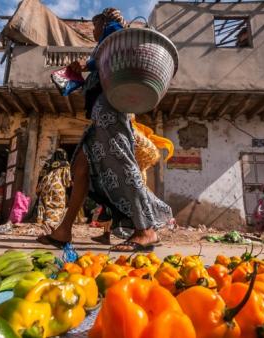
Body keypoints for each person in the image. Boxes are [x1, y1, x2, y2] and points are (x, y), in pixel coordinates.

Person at [37, 8, 173, 252]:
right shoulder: (103, 48)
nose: (94, 29)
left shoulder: (112, 34)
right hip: (101, 116)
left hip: (110, 113)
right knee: (80, 167)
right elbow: (101, 64)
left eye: (95, 24)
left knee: (122, 164)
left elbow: (112, 51)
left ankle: (146, 230)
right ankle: (63, 230)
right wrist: (85, 68)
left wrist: (87, 64)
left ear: (103, 22)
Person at [36, 148, 72, 232]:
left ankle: (47, 225)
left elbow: (41, 176)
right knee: (58, 208)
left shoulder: (48, 163)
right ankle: (52, 226)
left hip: (45, 187)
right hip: (58, 188)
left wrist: (38, 189)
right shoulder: (65, 164)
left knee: (47, 206)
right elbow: (67, 180)